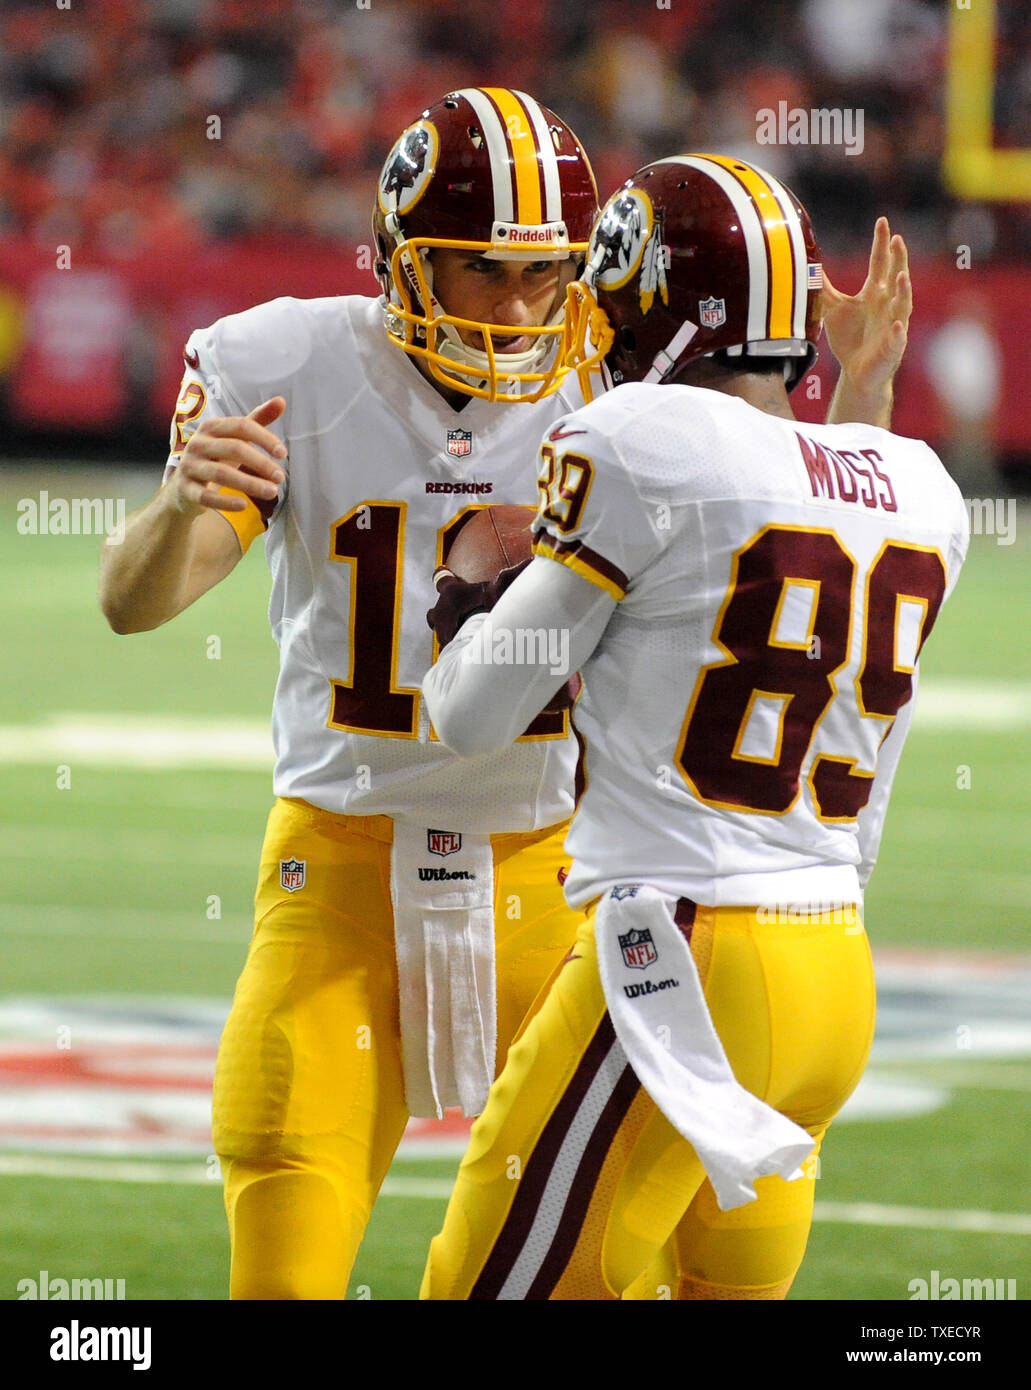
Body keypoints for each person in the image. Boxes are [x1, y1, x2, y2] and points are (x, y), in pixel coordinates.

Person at [98, 84, 911, 1300]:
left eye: (549, 272)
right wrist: (175, 503)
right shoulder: (286, 363)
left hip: (558, 878)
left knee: (679, 1260)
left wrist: (859, 399)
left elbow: (806, 518)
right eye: (483, 270)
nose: (524, 304)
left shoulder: (626, 388)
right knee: (283, 1240)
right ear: (396, 258)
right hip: (341, 872)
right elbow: (136, 598)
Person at [421, 153, 968, 1301]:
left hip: (677, 955)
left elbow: (470, 717)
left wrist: (468, 607)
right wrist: (860, 393)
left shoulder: (640, 437)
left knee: (489, 1286)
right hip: (829, 969)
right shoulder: (918, 483)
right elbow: (802, 528)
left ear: (654, 300)